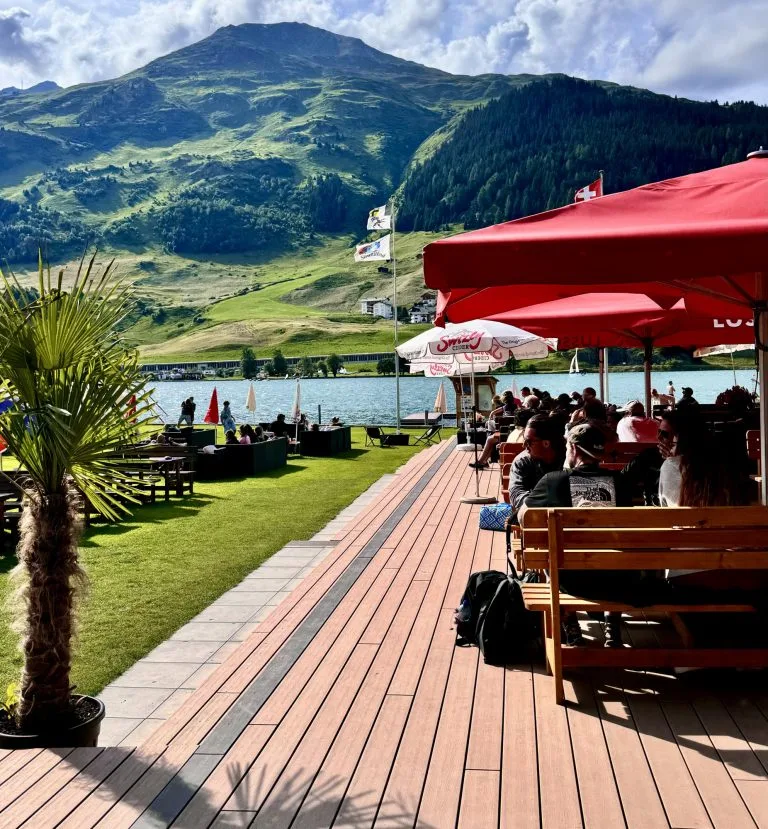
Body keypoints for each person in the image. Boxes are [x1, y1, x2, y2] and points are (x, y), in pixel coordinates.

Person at [522, 423, 635, 647]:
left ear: (573, 448)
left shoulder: (553, 481)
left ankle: (572, 629)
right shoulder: (620, 483)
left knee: (554, 553)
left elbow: (525, 516)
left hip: (571, 581)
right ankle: (612, 627)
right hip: (618, 581)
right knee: (612, 554)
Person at [508, 414, 566, 520]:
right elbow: (516, 493)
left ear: (546, 443)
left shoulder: (568, 458)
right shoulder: (522, 462)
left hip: (568, 519)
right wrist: (543, 506)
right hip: (535, 519)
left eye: (529, 441)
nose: (524, 445)